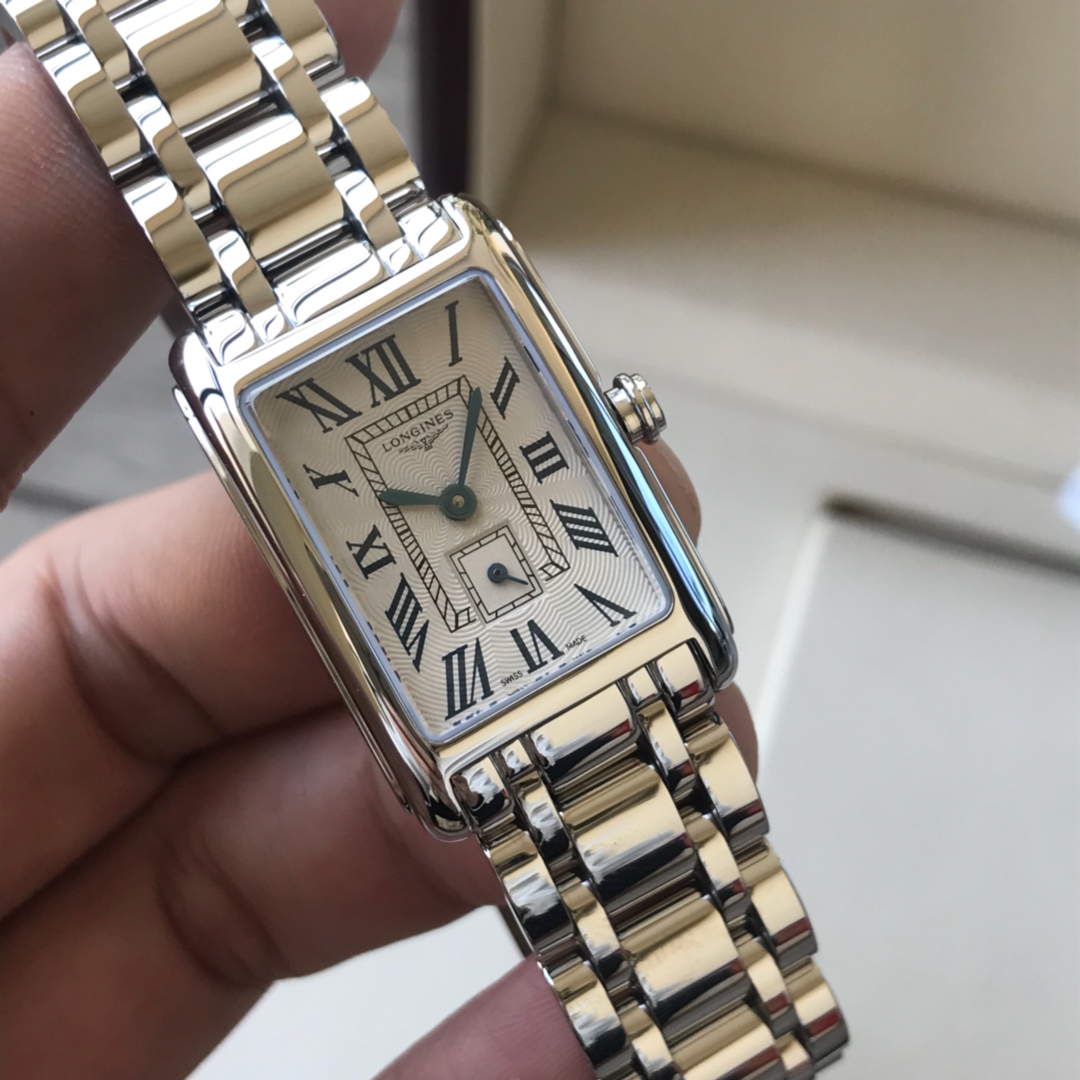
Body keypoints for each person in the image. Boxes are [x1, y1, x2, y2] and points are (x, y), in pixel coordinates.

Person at [0, 2, 756, 1075]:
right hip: (540, 709)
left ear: (614, 418)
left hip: (600, 678)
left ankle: (736, 1027)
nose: (459, 505)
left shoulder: (459, 263)